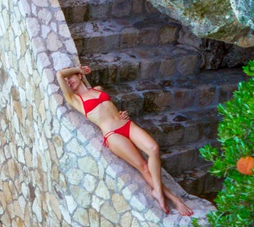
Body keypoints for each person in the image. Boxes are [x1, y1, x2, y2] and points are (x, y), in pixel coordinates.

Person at [57, 65, 193, 218]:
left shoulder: (98, 89)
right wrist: (77, 69)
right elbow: (59, 74)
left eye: (72, 77)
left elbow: (110, 109)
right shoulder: (75, 100)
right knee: (143, 166)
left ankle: (159, 192)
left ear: (80, 77)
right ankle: (170, 198)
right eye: (67, 80)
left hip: (126, 125)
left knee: (153, 148)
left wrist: (122, 113)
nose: (68, 81)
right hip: (113, 135)